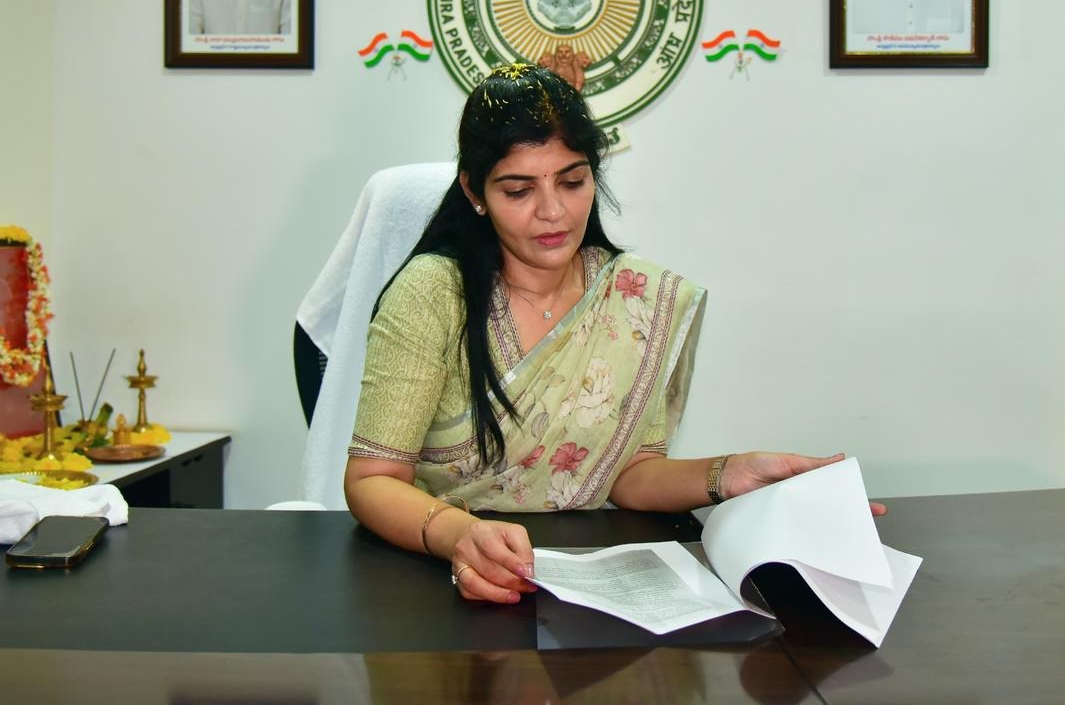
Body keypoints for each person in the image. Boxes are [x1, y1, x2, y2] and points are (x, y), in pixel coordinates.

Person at [344, 63, 885, 605]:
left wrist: (729, 475)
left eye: (572, 182)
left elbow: (627, 475)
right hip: (446, 573)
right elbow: (371, 480)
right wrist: (459, 534)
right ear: (474, 191)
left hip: (585, 578)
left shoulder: (633, 296)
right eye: (519, 190)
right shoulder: (433, 294)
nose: (553, 211)